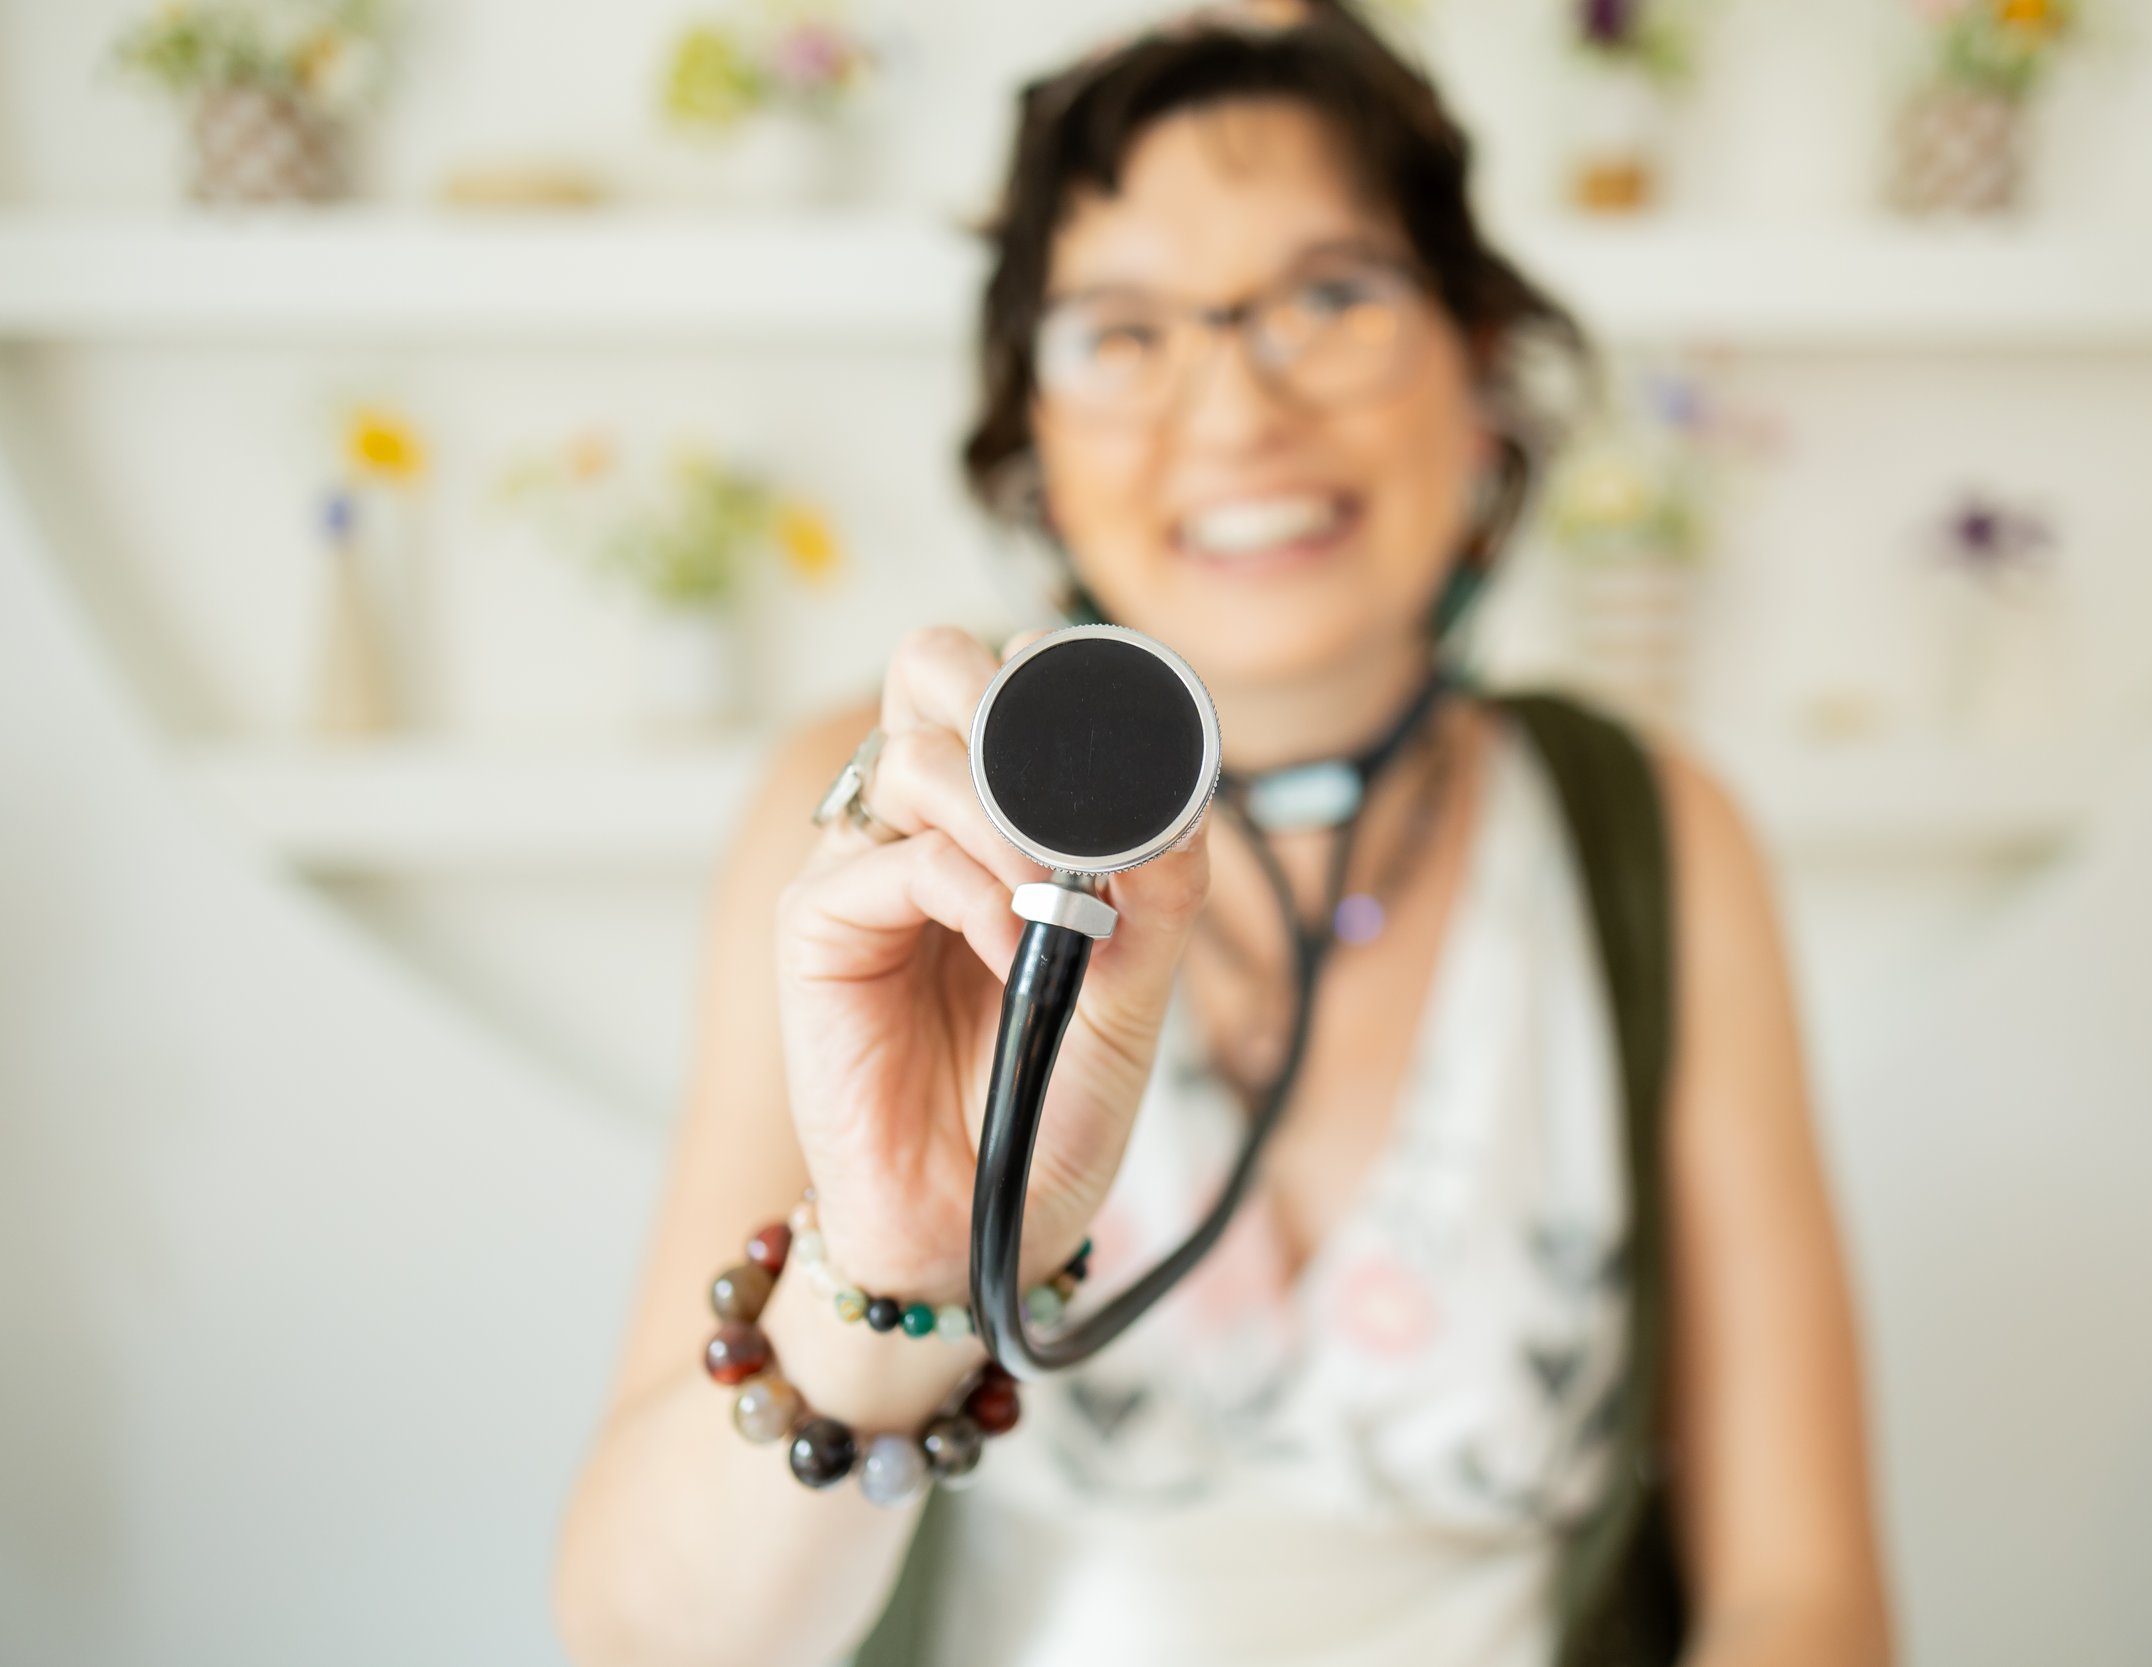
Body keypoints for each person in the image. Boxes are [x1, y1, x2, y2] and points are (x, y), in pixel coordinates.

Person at [553, 6, 1889, 1664]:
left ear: (1479, 367)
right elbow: (650, 1641)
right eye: (1122, 333)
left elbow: (1802, 1596)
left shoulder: (1654, 834)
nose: (1238, 405)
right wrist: (894, 1268)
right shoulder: (878, 830)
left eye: (1329, 295)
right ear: (1032, 445)